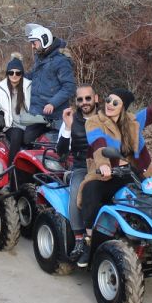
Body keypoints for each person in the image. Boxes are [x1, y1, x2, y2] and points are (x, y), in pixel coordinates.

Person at [75, 82, 152, 267]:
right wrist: (104, 165)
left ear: (123, 108)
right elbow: (99, 144)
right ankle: (88, 241)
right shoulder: (94, 121)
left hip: (133, 173)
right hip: (105, 173)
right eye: (108, 100)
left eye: (115, 103)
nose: (109, 105)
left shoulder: (132, 122)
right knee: (91, 191)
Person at [55, 84, 99, 264]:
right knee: (76, 194)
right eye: (80, 99)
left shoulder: (107, 117)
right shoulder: (71, 120)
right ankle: (81, 240)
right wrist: (67, 127)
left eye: (88, 98)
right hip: (82, 166)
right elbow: (61, 151)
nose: (84, 102)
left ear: (96, 98)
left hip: (106, 165)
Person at [24, 24, 75, 144]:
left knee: (30, 141)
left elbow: (69, 87)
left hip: (53, 115)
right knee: (24, 138)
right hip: (37, 112)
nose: (32, 47)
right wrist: (20, 76)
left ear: (44, 40)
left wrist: (53, 103)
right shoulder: (41, 58)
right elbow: (35, 76)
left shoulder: (61, 61)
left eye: (34, 43)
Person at [0, 53, 32, 166]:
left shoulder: (29, 86)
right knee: (17, 134)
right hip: (11, 125)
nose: (14, 75)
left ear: (22, 74)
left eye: (18, 72)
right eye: (11, 72)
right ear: (7, 73)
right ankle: (11, 170)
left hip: (29, 124)